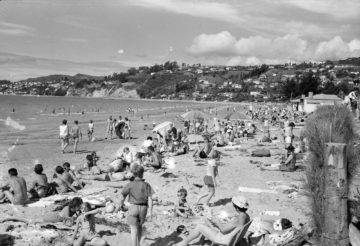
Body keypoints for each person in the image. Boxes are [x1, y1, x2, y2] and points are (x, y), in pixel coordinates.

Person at [181, 196, 250, 246]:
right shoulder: (246, 216)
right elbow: (235, 226)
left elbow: (223, 231)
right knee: (205, 220)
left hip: (224, 239)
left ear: (236, 207)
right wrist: (226, 220)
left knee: (199, 227)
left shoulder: (237, 219)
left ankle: (184, 243)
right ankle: (201, 241)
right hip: (232, 237)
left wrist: (217, 222)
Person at [114, 164, 153, 246]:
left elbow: (122, 197)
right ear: (142, 173)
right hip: (144, 208)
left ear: (133, 174)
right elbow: (150, 199)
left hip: (133, 207)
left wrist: (120, 206)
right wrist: (150, 212)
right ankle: (138, 244)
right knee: (139, 227)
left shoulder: (130, 184)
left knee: (133, 230)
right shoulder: (146, 185)